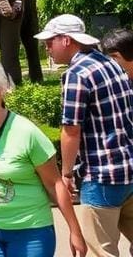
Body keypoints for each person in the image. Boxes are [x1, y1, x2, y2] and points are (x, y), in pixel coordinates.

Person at [0, 55, 86, 257]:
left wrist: (75, 231)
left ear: (3, 89)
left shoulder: (27, 132)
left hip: (31, 230)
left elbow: (54, 184)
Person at [36, 14, 133, 257]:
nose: (47, 47)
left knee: (103, 252)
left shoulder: (77, 74)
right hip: (129, 170)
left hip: (101, 175)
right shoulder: (111, 64)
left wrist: (66, 173)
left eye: (50, 41)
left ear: (66, 40)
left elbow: (71, 129)